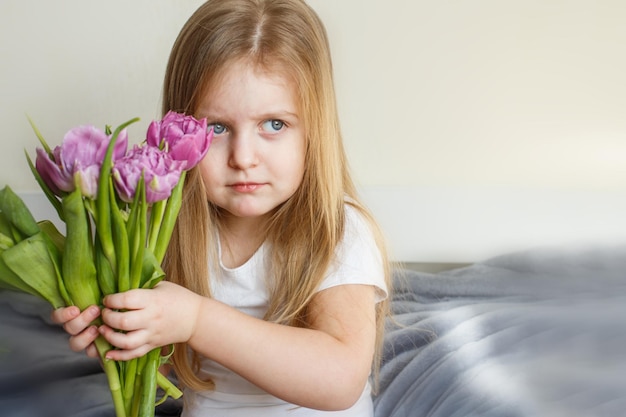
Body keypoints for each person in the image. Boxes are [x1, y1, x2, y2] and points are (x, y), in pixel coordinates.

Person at [52, 0, 392, 415]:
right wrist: (116, 326)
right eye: (217, 128)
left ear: (313, 131)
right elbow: (151, 338)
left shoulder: (337, 228)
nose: (243, 157)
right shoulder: (167, 226)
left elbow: (339, 379)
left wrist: (196, 320)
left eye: (274, 124)